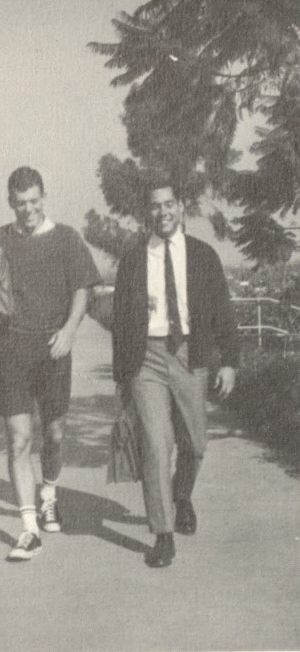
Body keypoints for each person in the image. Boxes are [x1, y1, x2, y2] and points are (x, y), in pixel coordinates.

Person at [0, 167, 100, 561]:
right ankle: (28, 530)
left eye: (34, 201)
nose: (28, 209)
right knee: (19, 439)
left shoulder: (66, 238)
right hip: (13, 350)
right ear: (10, 202)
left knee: (54, 435)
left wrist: (70, 329)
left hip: (55, 349)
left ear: (44, 198)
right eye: (20, 203)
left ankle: (49, 493)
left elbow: (82, 288)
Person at [112, 176, 239, 568]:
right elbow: (120, 321)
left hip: (190, 355)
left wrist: (230, 361)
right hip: (146, 358)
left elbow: (222, 311)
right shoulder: (133, 260)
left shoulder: (203, 255)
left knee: (195, 444)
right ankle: (163, 533)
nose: (162, 212)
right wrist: (122, 378)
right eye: (154, 206)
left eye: (169, 204)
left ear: (180, 207)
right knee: (155, 442)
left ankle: (181, 495)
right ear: (146, 212)